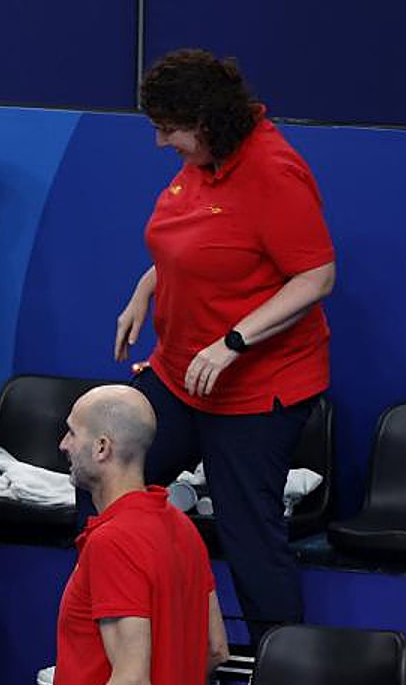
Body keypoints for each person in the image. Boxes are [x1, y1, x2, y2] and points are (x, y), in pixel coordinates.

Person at [115, 48, 336, 646]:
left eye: (169, 130)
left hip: (258, 386)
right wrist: (146, 287)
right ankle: (127, 653)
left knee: (248, 533)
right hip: (178, 372)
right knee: (106, 477)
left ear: (208, 123)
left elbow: (316, 277)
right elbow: (199, 240)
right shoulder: (204, 160)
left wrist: (233, 343)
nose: (162, 143)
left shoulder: (272, 170)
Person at [35, 386, 227, 685]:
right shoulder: (183, 528)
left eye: (72, 432)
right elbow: (216, 647)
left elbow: (132, 681)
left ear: (102, 447)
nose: (63, 444)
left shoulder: (112, 543)